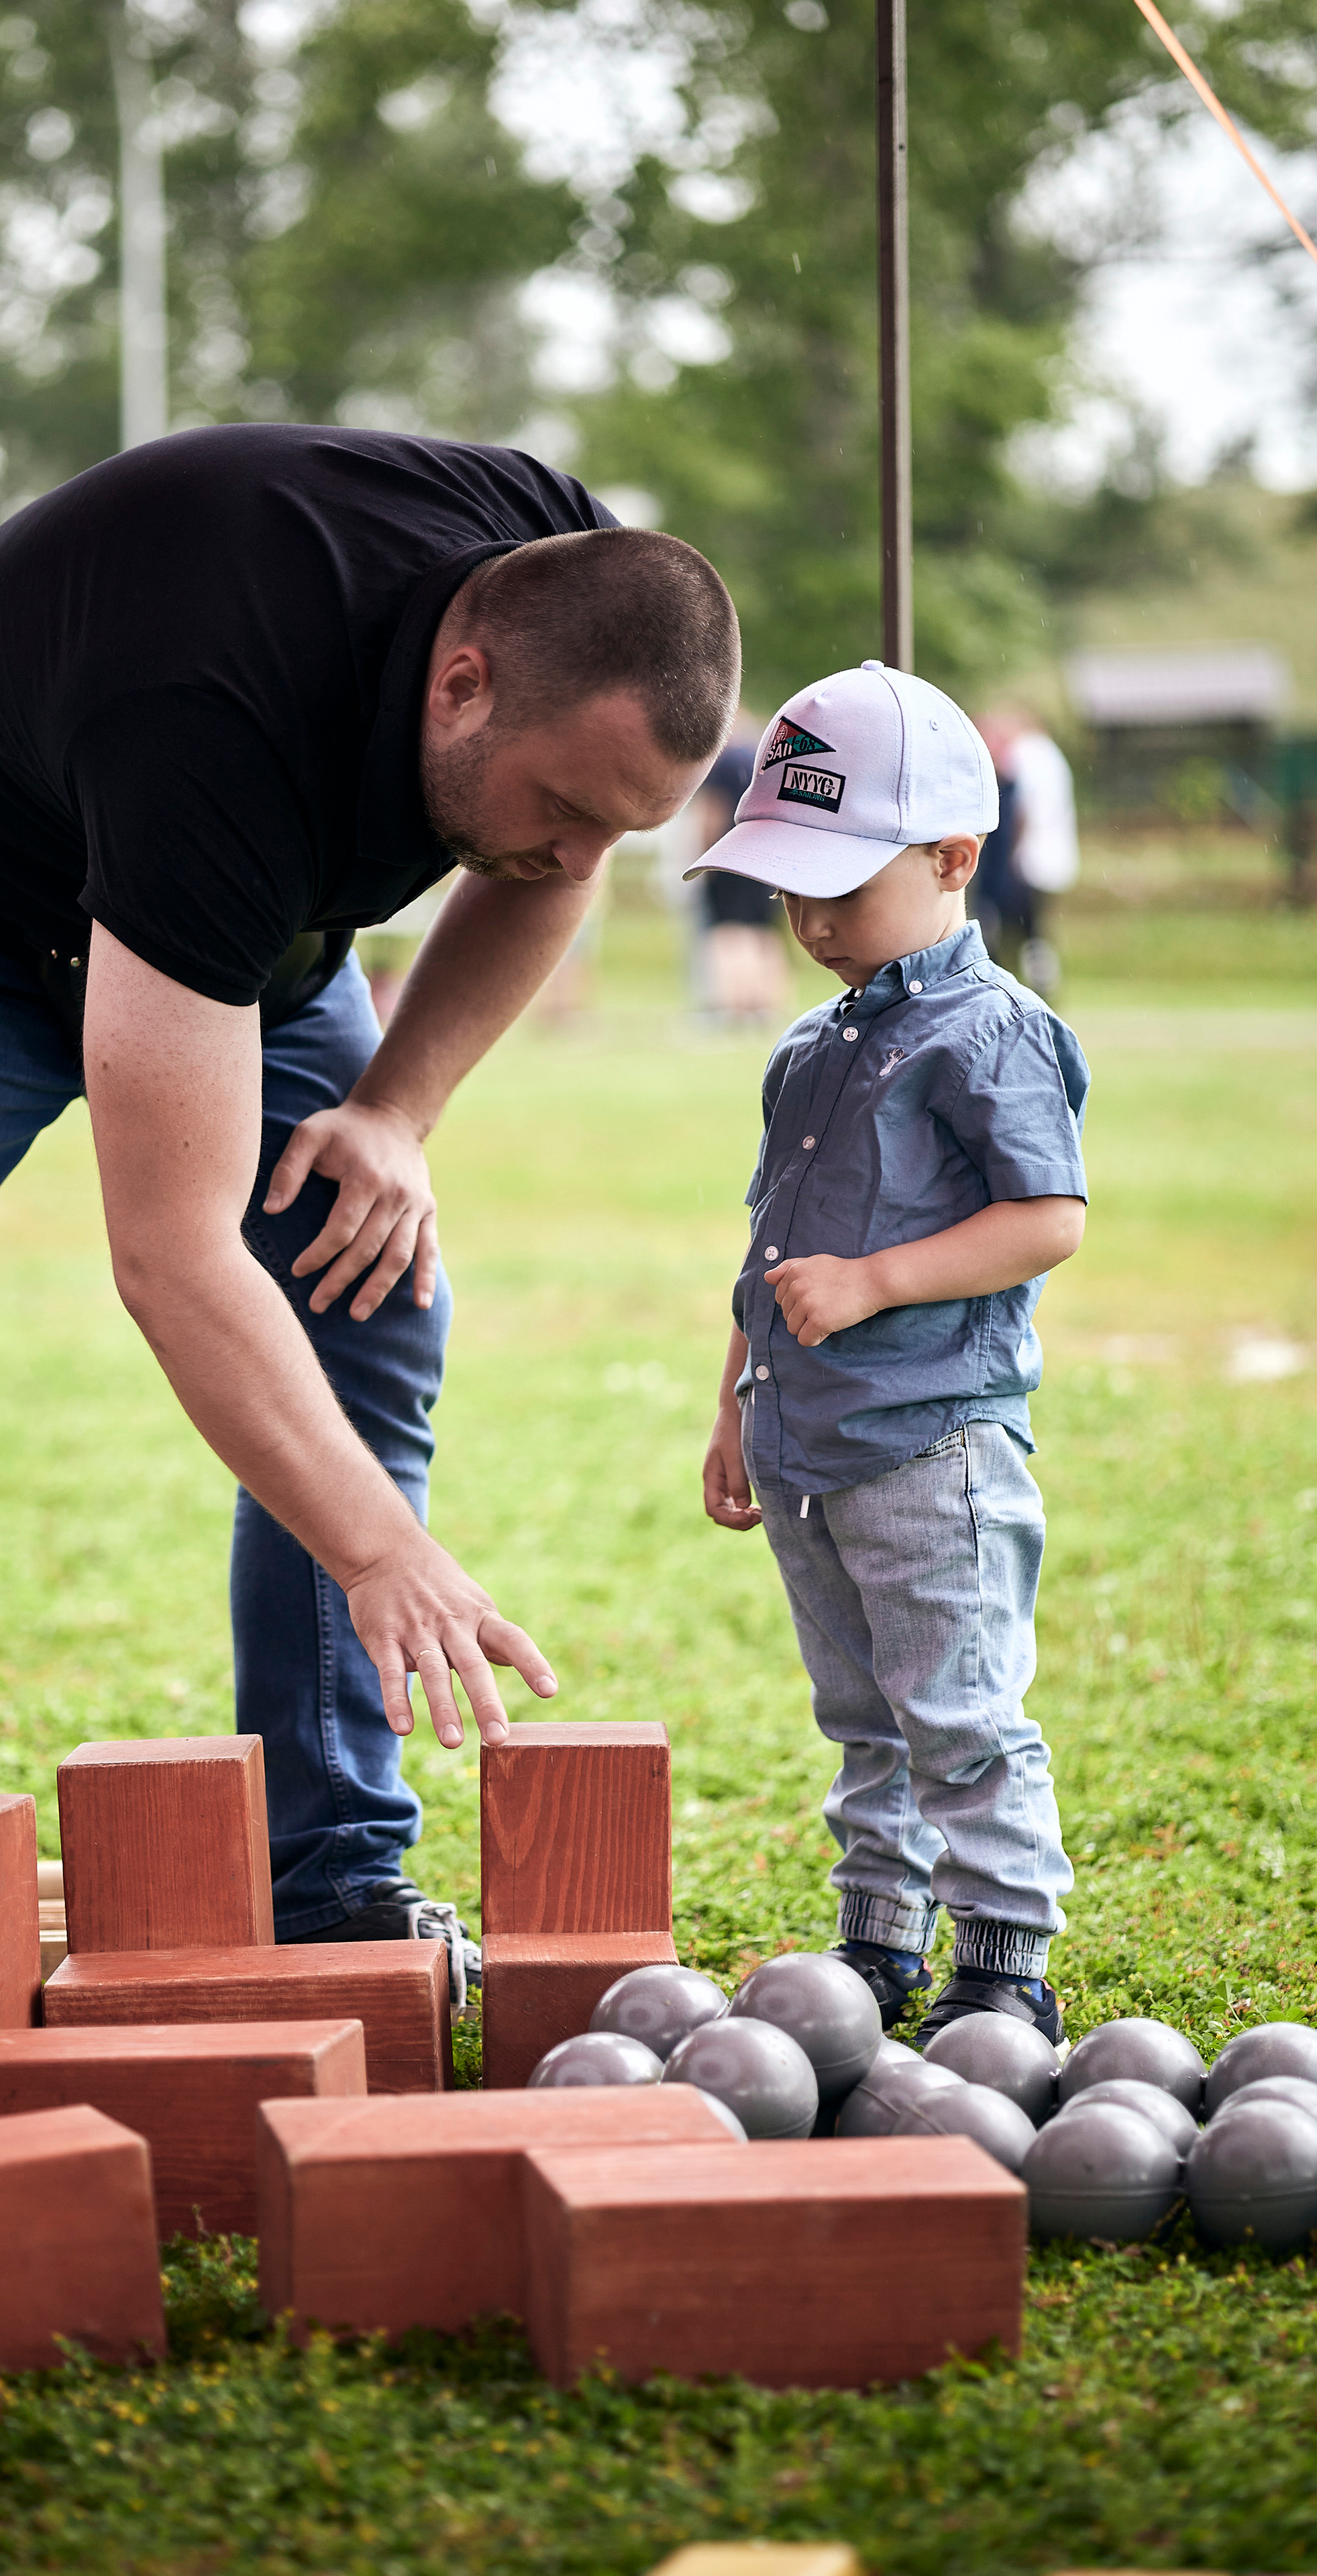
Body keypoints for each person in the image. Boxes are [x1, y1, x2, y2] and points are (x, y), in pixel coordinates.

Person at [0, 425, 740, 2000]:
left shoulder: (565, 586)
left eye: (623, 827)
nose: (577, 861)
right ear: (460, 678)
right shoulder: (213, 712)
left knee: (367, 1293)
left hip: (237, 926)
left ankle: (332, 1878)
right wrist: (380, 1550)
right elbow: (173, 1257)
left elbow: (537, 867)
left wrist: (393, 1110)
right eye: (565, 806)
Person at [694, 659, 1089, 2044]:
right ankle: (879, 1937)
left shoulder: (991, 1034)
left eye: (838, 886)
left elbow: (1045, 1220)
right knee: (861, 1713)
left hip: (929, 1442)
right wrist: (736, 1401)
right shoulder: (805, 1047)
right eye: (786, 886)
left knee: (957, 1710)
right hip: (807, 1443)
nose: (804, 917)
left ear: (952, 859)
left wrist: (877, 1283)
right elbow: (764, 1249)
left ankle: (1002, 1957)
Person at [690, 719, 791, 1026]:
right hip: (765, 858)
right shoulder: (767, 760)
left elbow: (713, 814)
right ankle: (766, 1005)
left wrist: (704, 859)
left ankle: (732, 1007)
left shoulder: (722, 763)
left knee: (729, 932)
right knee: (764, 933)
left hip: (731, 858)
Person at [974, 709, 1079, 996]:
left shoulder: (1027, 755)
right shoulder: (1050, 756)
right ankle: (1038, 986)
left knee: (1017, 931)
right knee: (1033, 932)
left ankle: (1019, 988)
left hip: (1021, 864)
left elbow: (1023, 811)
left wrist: (1010, 858)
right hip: (1040, 862)